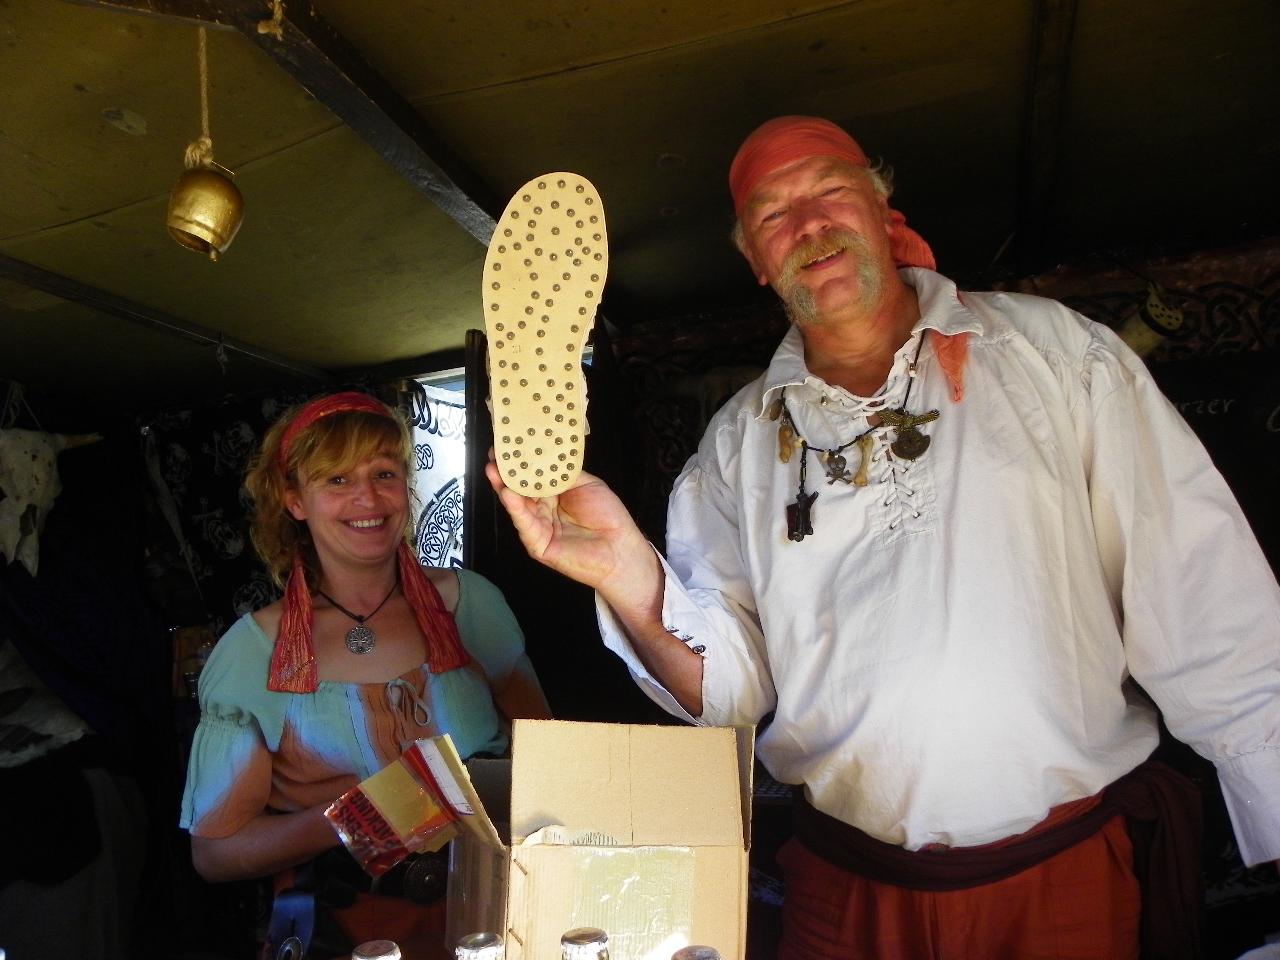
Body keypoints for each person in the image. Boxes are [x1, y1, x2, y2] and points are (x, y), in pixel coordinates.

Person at [488, 117, 1280, 959]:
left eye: (830, 190)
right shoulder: (737, 445)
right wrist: (625, 576)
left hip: (1058, 877)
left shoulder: (1057, 357)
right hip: (849, 890)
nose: (809, 225)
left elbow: (1201, 596)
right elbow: (733, 695)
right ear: (757, 261)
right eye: (772, 214)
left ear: (882, 208)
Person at [183, 392, 550, 953]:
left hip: (499, 908)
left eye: (384, 473)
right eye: (337, 479)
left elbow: (549, 758)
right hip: (354, 930)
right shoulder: (254, 652)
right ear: (294, 501)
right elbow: (215, 854)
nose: (368, 498)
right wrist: (361, 816)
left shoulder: (469, 604)